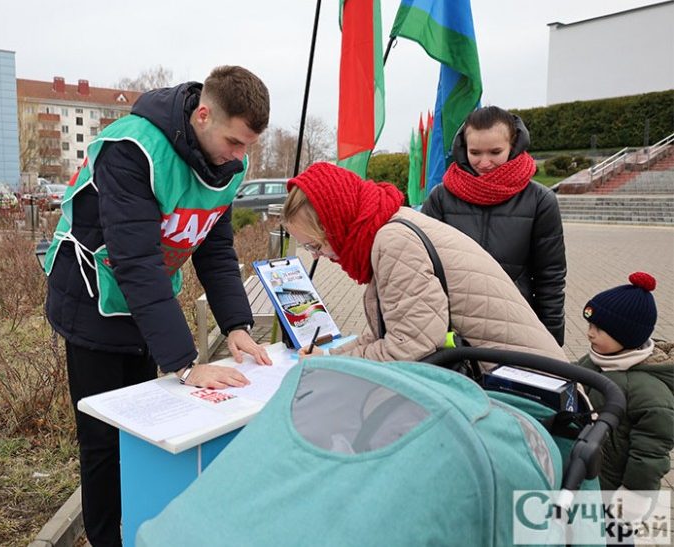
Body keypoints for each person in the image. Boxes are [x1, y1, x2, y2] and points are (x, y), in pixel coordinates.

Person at [45, 65, 272, 546]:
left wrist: (236, 324)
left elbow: (214, 244)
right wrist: (186, 363)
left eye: (247, 146)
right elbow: (136, 261)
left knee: (147, 426)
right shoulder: (132, 149)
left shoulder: (230, 162)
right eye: (234, 142)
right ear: (204, 115)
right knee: (105, 438)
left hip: (147, 299)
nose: (239, 156)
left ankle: (145, 527)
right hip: (93, 297)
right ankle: (106, 538)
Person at [282, 162, 567, 364]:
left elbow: (409, 347)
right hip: (517, 373)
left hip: (530, 388)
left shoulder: (394, 242)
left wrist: (333, 366)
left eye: (315, 245)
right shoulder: (387, 227)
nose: (316, 255)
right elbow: (385, 333)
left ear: (337, 223)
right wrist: (329, 356)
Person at [421, 106, 566, 346]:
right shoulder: (441, 197)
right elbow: (423, 266)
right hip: (454, 328)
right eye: (475, 152)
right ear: (463, 148)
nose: (484, 162)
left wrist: (551, 340)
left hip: (514, 326)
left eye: (495, 152)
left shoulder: (540, 200)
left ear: (514, 145)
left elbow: (550, 277)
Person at [577, 272, 673, 526]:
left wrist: (634, 497)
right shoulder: (593, 361)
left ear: (626, 336)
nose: (589, 334)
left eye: (599, 329)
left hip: (614, 490)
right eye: (589, 326)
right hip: (584, 473)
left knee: (614, 538)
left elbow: (651, 454)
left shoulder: (649, 392)